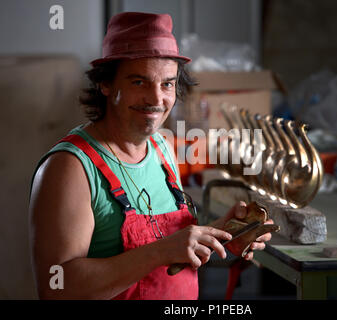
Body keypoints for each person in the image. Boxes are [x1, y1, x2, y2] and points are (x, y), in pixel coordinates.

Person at [29, 12, 273, 300]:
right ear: (105, 85)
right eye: (138, 82)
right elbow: (55, 289)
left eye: (167, 84)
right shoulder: (70, 167)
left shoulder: (161, 148)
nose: (157, 99)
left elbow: (172, 253)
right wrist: (162, 250)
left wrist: (223, 234)